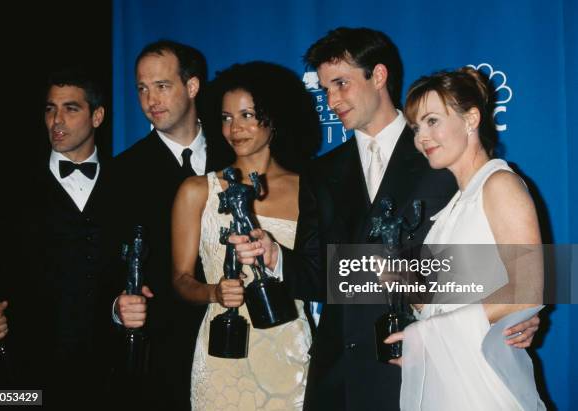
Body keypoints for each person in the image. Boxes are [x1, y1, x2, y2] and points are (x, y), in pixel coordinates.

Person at [232, 27, 541, 411]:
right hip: (341, 372)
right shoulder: (320, 172)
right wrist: (276, 256)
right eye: (325, 89)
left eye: (341, 84)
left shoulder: (445, 158)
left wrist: (511, 317)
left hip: (424, 365)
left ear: (378, 76)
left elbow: (508, 272)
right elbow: (323, 277)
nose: (332, 100)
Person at [383, 67, 545, 410]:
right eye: (415, 127)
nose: (421, 137)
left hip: (484, 380)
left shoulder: (500, 184)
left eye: (431, 121)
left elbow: (528, 288)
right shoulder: (452, 207)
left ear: (471, 119)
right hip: (448, 376)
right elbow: (440, 303)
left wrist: (425, 336)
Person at [171, 61, 321, 410]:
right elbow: (179, 279)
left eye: (247, 115)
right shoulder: (197, 190)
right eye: (225, 118)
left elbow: (320, 274)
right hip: (223, 356)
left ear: (275, 116)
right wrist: (214, 292)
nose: (234, 128)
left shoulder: (309, 190)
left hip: (290, 356)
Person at [0, 67, 114, 407]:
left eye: (71, 108)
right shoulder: (13, 187)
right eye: (50, 109)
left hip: (109, 372)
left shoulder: (125, 182)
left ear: (97, 116)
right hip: (30, 369)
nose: (57, 120)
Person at [109, 39, 227, 410]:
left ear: (191, 86)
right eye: (142, 89)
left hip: (238, 342)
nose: (150, 100)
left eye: (161, 86)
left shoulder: (236, 154)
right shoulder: (123, 172)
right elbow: (108, 260)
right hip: (164, 355)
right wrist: (118, 305)